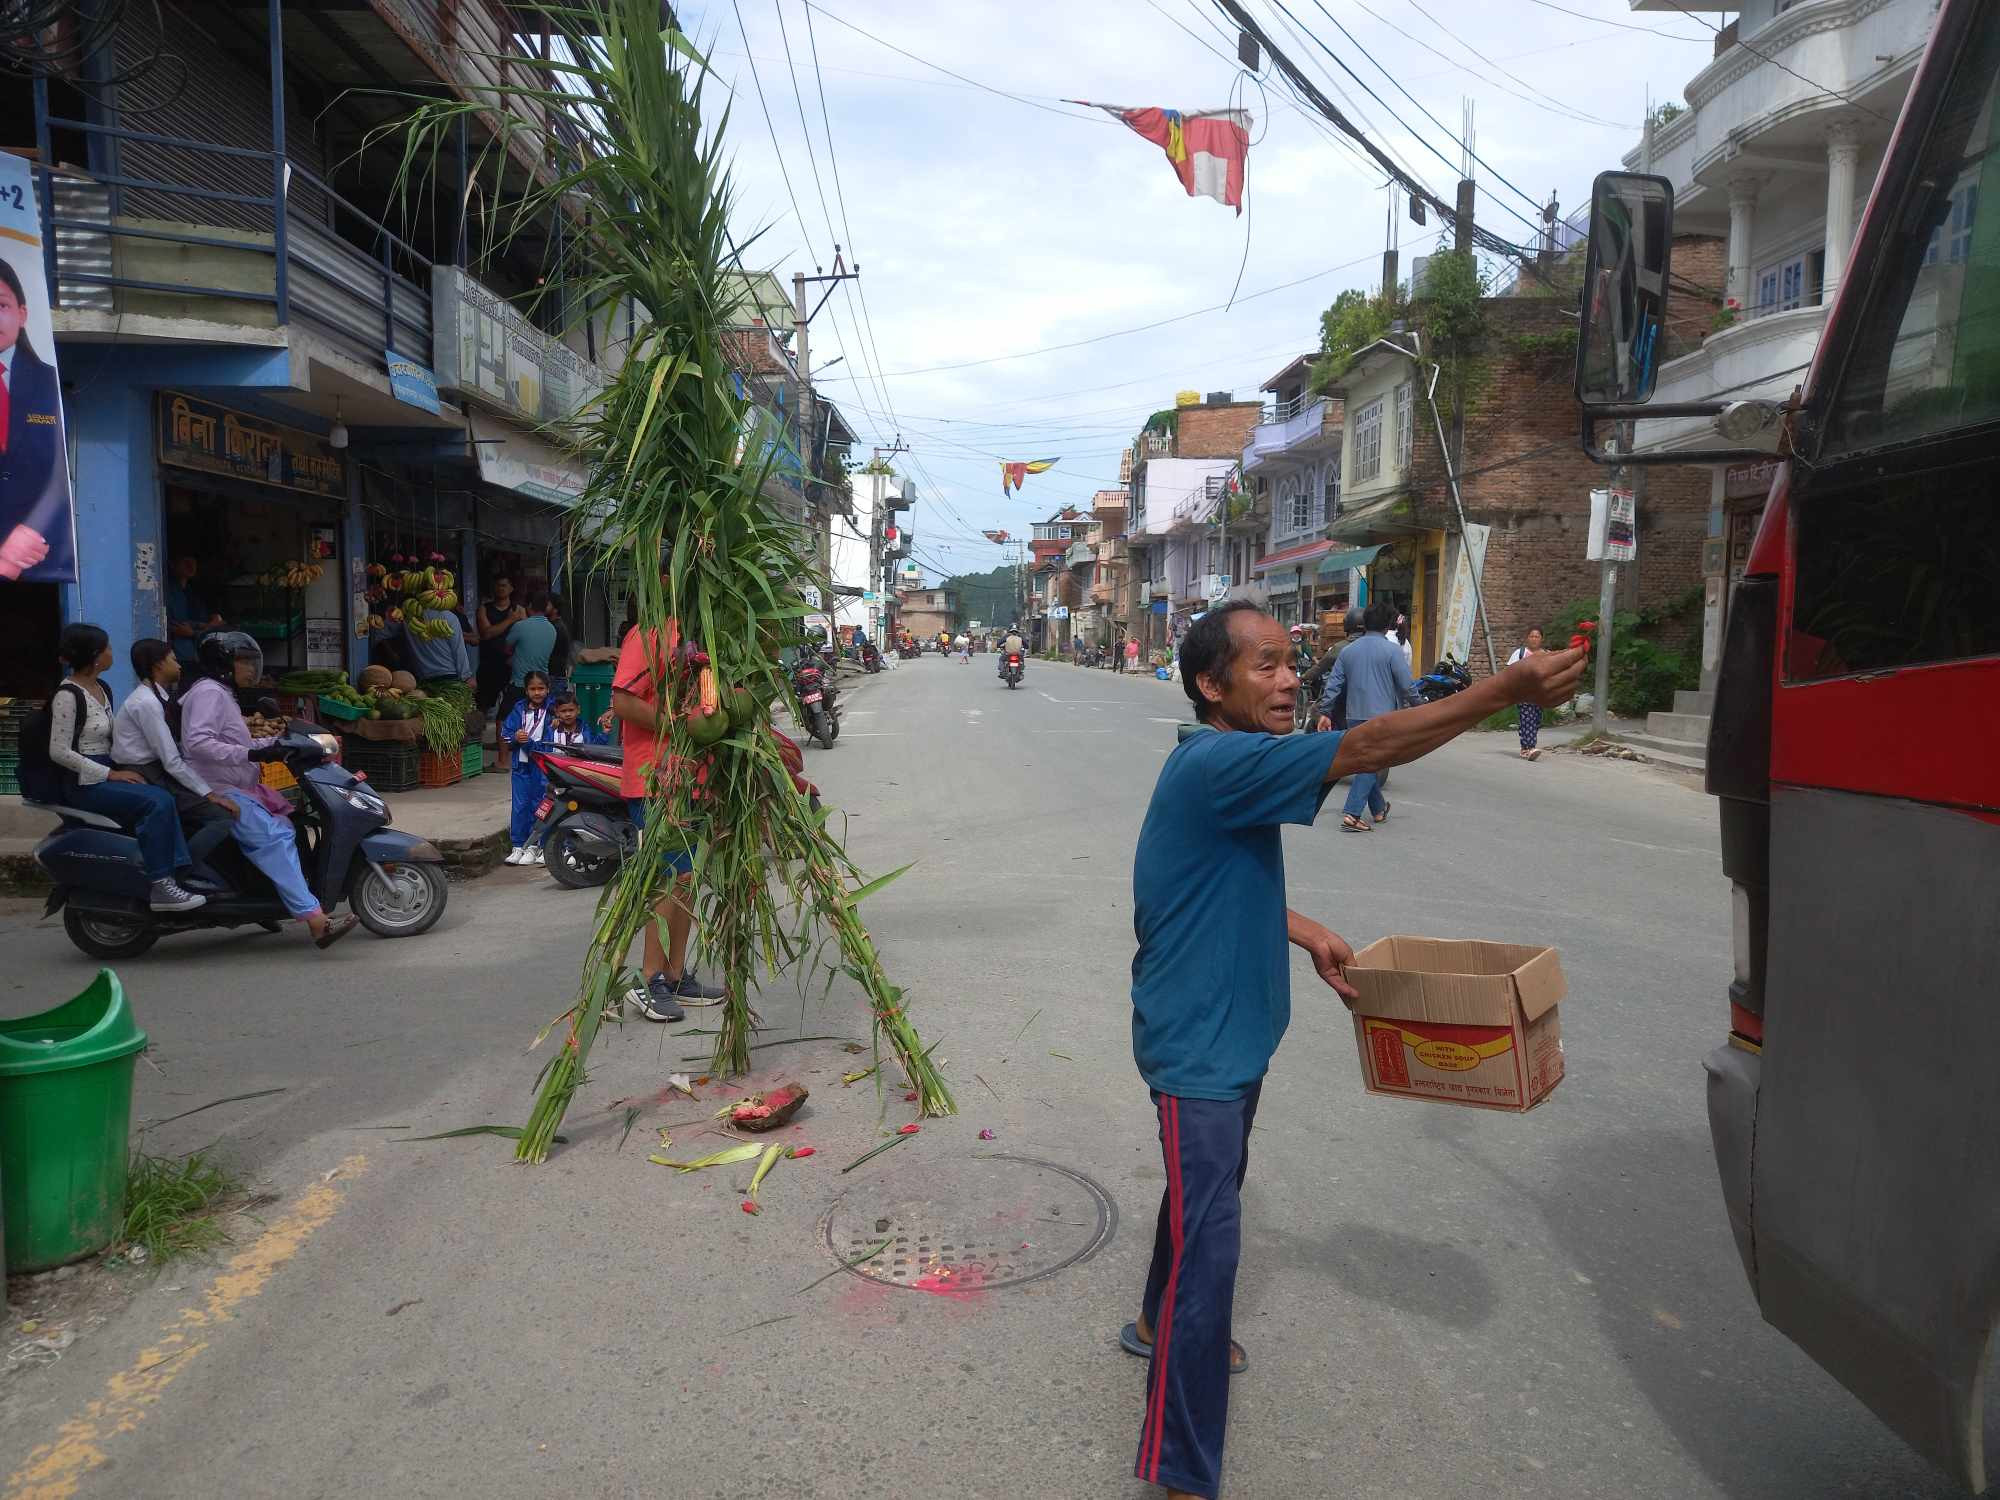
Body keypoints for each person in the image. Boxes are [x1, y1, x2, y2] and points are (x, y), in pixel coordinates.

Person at [1120, 600, 1586, 1500]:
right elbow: (1373, 749)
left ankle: (1149, 1317)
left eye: (1294, 662)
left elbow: (1194, 880)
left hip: (1237, 1032)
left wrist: (1297, 928)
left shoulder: (1222, 765)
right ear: (1212, 685)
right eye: (1265, 665)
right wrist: (1507, 688)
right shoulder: (1220, 760)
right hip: (1197, 1048)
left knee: (1203, 1192)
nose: (1292, 678)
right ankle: (1179, 1473)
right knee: (1212, 1256)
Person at [179, 631, 358, 947]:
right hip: (218, 788)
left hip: (238, 784)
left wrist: (280, 744)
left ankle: (269, 897)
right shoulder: (209, 693)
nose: (251, 669)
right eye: (243, 662)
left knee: (292, 825)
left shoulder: (222, 692)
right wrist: (251, 753)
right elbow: (199, 743)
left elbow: (238, 742)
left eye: (251, 661)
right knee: (275, 837)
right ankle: (317, 922)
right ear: (224, 664)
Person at [611, 603, 725, 1021]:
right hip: (656, 778)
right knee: (666, 880)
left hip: (695, 778)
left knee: (688, 879)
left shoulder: (706, 632)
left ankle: (676, 974)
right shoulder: (649, 634)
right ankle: (648, 978)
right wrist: (677, 726)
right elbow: (622, 701)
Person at [42, 624, 206, 912]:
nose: (111, 653)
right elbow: (59, 751)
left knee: (162, 794)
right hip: (84, 783)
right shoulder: (68, 695)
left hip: (107, 770)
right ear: (94, 656)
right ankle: (161, 883)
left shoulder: (101, 688)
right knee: (157, 802)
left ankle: (177, 872)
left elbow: (113, 737)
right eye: (106, 648)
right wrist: (111, 774)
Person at [111, 637, 237, 876]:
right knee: (223, 817)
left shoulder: (156, 698)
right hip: (149, 772)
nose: (179, 666)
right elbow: (171, 760)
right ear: (158, 665)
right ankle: (182, 870)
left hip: (156, 769)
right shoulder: (146, 703)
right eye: (174, 660)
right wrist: (210, 794)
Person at [1317, 602, 1419, 832]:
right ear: (1387, 626)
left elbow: (1333, 684)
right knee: (1371, 762)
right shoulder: (1392, 651)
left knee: (1367, 760)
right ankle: (1352, 814)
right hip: (1382, 718)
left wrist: (1325, 713)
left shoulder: (1348, 651)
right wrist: (1421, 707)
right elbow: (1406, 686)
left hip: (1354, 717)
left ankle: (1379, 809)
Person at [0, 257, 70, 581]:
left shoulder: (47, 383)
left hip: (38, 552)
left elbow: (59, 475)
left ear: (22, 314)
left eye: (1, 305)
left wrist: (24, 537)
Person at [501, 670, 555, 867]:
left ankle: (539, 844)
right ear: (526, 690)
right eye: (533, 689)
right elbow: (506, 732)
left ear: (548, 689)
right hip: (521, 764)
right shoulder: (519, 708)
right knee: (520, 805)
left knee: (541, 804)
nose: (537, 692)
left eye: (541, 688)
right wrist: (516, 737)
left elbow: (558, 733)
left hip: (543, 764)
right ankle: (518, 845)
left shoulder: (553, 709)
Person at [499, 591, 558, 731]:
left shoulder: (520, 626)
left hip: (520, 683)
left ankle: (503, 753)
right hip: (542, 683)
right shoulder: (552, 629)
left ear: (529, 605)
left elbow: (506, 648)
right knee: (537, 722)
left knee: (502, 720)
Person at [475, 576, 525, 717]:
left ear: (511, 589)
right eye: (498, 585)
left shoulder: (519, 610)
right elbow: (486, 633)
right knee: (483, 706)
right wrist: (510, 620)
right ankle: (479, 736)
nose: (500, 588)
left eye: (504, 585)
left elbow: (526, 636)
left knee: (515, 706)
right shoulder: (484, 609)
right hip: (489, 664)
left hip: (512, 665)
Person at [165, 555, 224, 665]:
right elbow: (178, 626)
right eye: (185, 561)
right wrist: (201, 629)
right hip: (179, 655)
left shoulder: (191, 591)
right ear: (172, 564)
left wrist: (205, 626)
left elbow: (208, 622)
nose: (191, 565)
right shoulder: (167, 591)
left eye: (193, 561)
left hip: (196, 654)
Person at [1508, 627, 1547, 760]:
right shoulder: (1520, 653)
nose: (1534, 639)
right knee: (1527, 719)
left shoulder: (1546, 654)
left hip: (1539, 694)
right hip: (1523, 692)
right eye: (1532, 636)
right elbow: (1510, 671)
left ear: (1542, 639)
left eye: (1537, 636)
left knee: (1535, 720)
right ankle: (1530, 748)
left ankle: (1525, 748)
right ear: (1527, 638)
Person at [546, 593, 572, 700]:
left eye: (547, 604)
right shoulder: (557, 626)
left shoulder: (555, 628)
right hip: (556, 677)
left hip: (554, 677)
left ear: (555, 609)